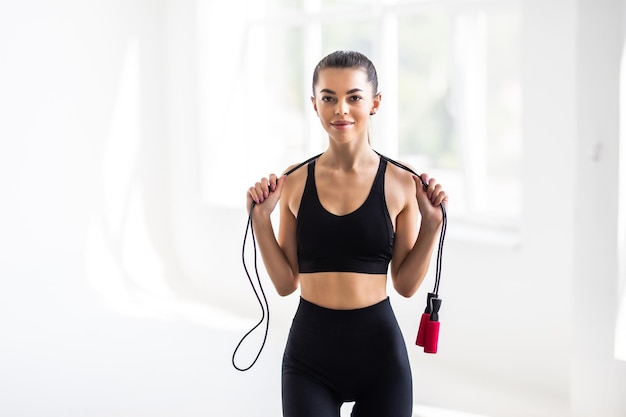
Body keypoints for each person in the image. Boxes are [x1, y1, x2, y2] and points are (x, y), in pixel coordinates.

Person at [246, 50, 448, 417]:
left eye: (354, 97)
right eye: (329, 98)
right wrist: (260, 220)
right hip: (309, 359)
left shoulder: (402, 182)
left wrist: (431, 226)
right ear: (314, 104)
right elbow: (285, 283)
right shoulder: (293, 181)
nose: (341, 109)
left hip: (380, 360)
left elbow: (404, 285)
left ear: (375, 102)